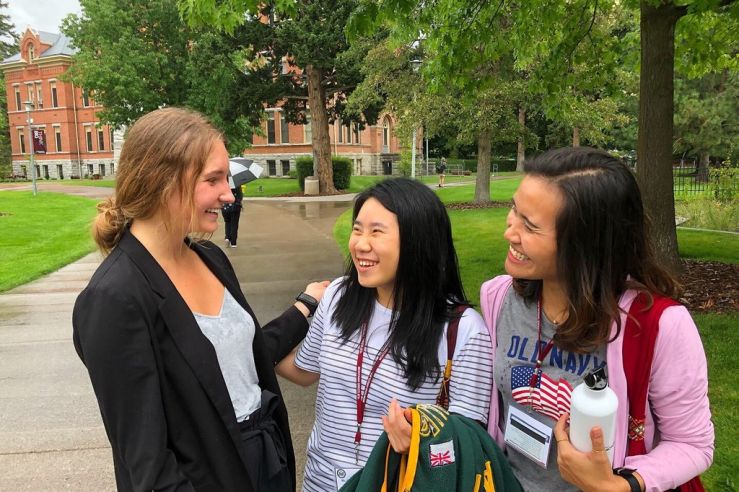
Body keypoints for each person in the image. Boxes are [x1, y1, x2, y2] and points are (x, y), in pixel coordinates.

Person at [72, 107, 328, 492]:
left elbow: (243, 354)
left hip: (264, 464)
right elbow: (148, 464)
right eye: (213, 179)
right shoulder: (116, 298)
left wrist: (304, 306)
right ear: (162, 181)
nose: (228, 193)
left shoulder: (210, 258)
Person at [480, 147, 714, 491]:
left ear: (584, 244)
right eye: (515, 209)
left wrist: (622, 485)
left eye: (530, 226)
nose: (510, 232)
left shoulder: (657, 325)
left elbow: (693, 444)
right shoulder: (498, 298)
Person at [275, 178, 494, 492]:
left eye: (376, 231)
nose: (361, 244)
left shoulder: (462, 330)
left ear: (419, 241)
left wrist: (416, 438)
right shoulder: (338, 296)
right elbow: (302, 370)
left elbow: (467, 442)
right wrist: (280, 322)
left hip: (396, 483)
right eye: (357, 229)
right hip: (319, 482)